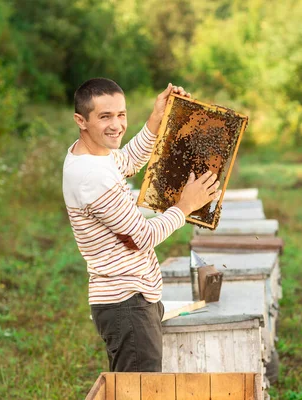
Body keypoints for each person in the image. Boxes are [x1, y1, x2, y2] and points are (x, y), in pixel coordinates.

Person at [62, 77, 220, 372]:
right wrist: (185, 206)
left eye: (121, 115)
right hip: (126, 303)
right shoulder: (92, 177)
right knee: (140, 392)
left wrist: (156, 119)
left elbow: (130, 161)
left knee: (135, 390)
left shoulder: (92, 155)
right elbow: (143, 236)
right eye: (105, 117)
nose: (116, 125)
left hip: (131, 299)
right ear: (80, 120)